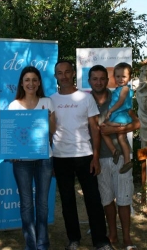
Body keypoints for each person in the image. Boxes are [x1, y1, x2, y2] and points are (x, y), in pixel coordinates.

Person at [50, 60, 112, 250]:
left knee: (93, 199)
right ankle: (73, 239)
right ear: (56, 76)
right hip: (60, 157)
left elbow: (95, 129)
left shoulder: (85, 98)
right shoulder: (50, 100)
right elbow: (47, 131)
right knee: (67, 201)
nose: (64, 76)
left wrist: (95, 157)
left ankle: (101, 241)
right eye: (60, 73)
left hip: (85, 155)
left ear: (73, 73)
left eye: (67, 72)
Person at [88, 64, 140, 250]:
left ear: (107, 80)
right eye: (95, 79)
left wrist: (117, 129)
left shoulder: (118, 95)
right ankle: (112, 234)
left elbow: (136, 122)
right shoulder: (85, 101)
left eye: (102, 78)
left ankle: (127, 238)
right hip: (99, 158)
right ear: (89, 81)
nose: (99, 82)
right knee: (107, 200)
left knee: (124, 199)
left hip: (121, 159)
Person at [8, 66, 56, 250]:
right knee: (26, 204)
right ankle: (31, 244)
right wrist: (12, 153)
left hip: (44, 159)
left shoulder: (47, 102)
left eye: (34, 80)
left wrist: (49, 118)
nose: (31, 83)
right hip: (21, 162)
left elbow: (53, 131)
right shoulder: (14, 105)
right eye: (27, 79)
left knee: (42, 204)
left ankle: (42, 244)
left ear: (39, 83)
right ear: (22, 82)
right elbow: (11, 135)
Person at [101, 62, 134, 174]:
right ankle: (126, 161)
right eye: (118, 76)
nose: (120, 79)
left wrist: (110, 110)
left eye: (124, 76)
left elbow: (120, 102)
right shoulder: (117, 89)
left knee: (103, 128)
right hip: (119, 116)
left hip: (121, 117)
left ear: (130, 77)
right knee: (121, 139)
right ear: (114, 77)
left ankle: (115, 150)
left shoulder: (124, 89)